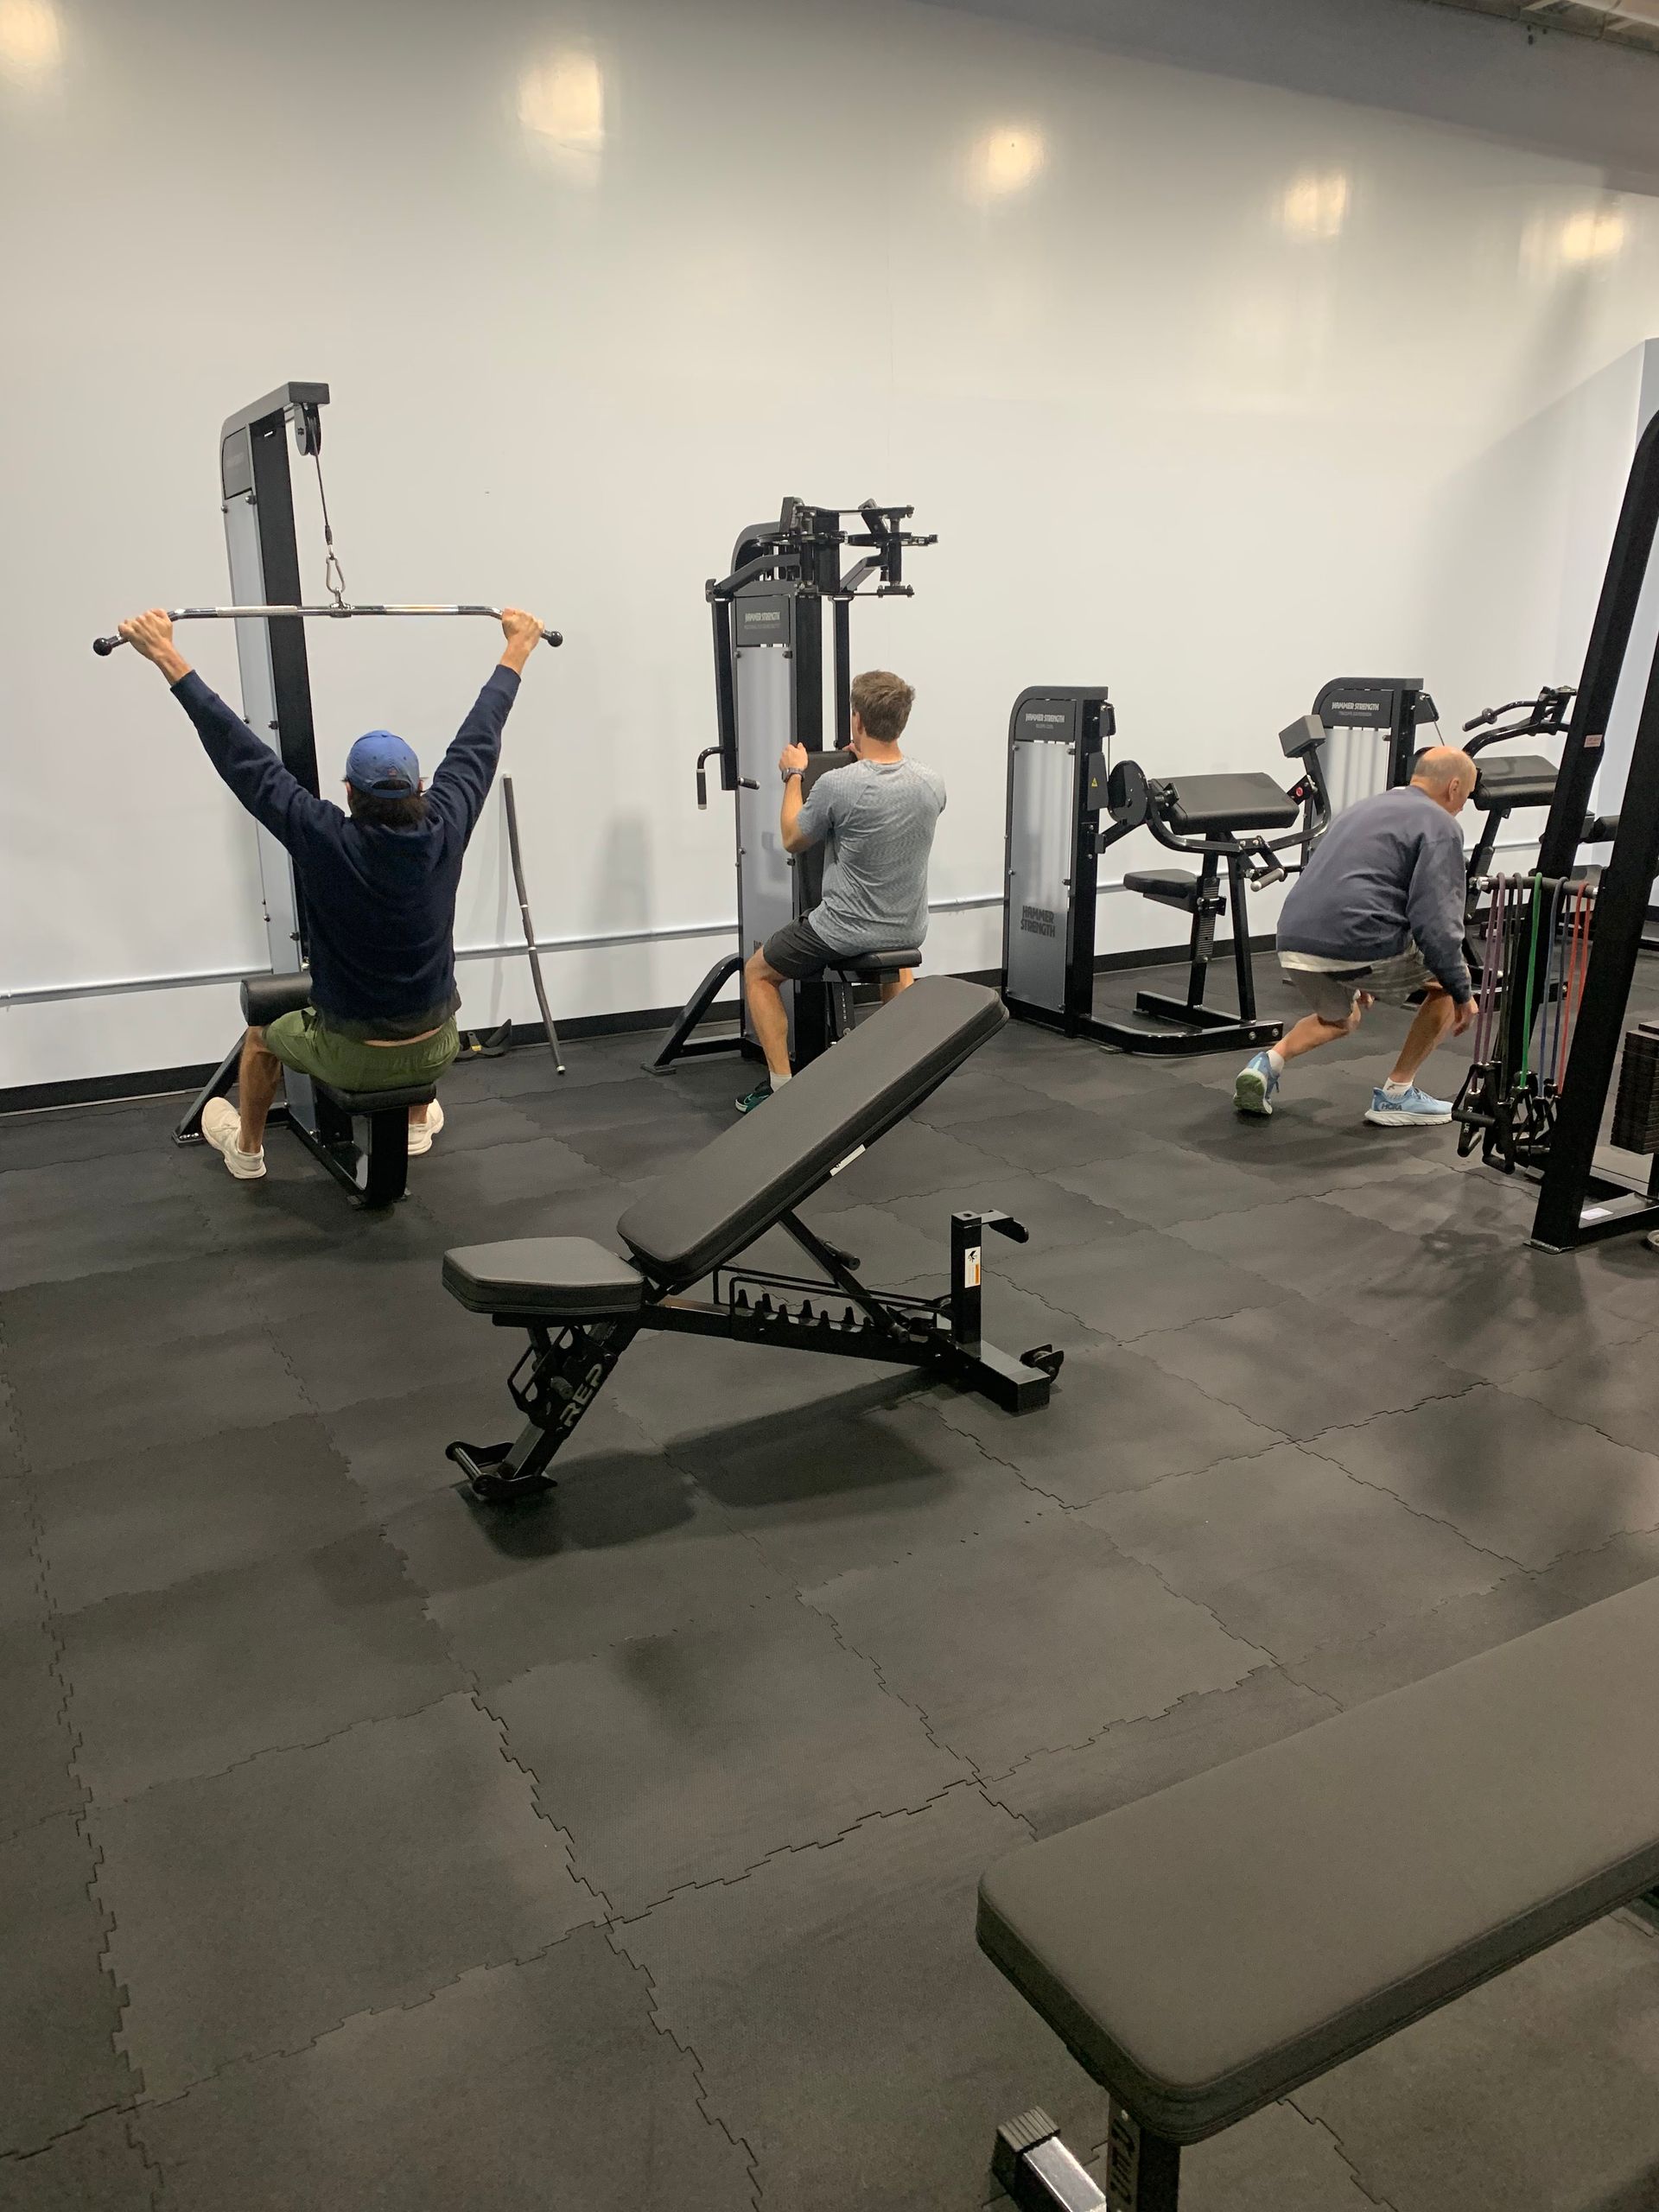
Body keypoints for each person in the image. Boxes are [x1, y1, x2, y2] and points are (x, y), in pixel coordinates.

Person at [116, 606, 548, 1179]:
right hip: (441, 1043)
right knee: (422, 993)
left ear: (348, 792)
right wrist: (518, 647)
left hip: (354, 1056)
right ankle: (417, 1119)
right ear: (420, 786)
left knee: (262, 1036)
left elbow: (243, 756)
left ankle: (246, 1153)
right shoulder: (446, 824)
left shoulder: (324, 837)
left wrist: (166, 654)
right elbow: (481, 733)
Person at [1234, 746, 1479, 1127]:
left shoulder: (1363, 809)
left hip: (1293, 940)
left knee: (1340, 1019)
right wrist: (1463, 989)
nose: (1463, 806)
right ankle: (1397, 1096)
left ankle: (1266, 1064)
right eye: (1466, 797)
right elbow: (1437, 923)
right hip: (1359, 943)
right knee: (1444, 984)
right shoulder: (1441, 825)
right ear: (1454, 786)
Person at [737, 669, 946, 1113]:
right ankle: (896, 1078)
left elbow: (793, 839)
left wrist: (793, 775)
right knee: (898, 968)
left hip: (843, 930)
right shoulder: (932, 783)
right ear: (901, 720)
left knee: (757, 973)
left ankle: (780, 1093)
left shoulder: (838, 785)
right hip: (908, 929)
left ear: (857, 720)